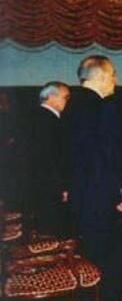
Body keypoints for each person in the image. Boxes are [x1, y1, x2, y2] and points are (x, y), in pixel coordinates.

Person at [67, 55, 122, 301]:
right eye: (113, 75)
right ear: (101, 76)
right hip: (106, 197)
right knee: (115, 257)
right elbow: (111, 156)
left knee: (92, 254)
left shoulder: (70, 105)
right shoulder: (103, 107)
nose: (116, 81)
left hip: (83, 196)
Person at [27, 81, 71, 238]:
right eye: (65, 97)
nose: (67, 101)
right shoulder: (48, 120)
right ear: (51, 97)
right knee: (53, 231)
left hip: (37, 185)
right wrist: (63, 186)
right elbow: (53, 158)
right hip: (50, 186)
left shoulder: (33, 117)